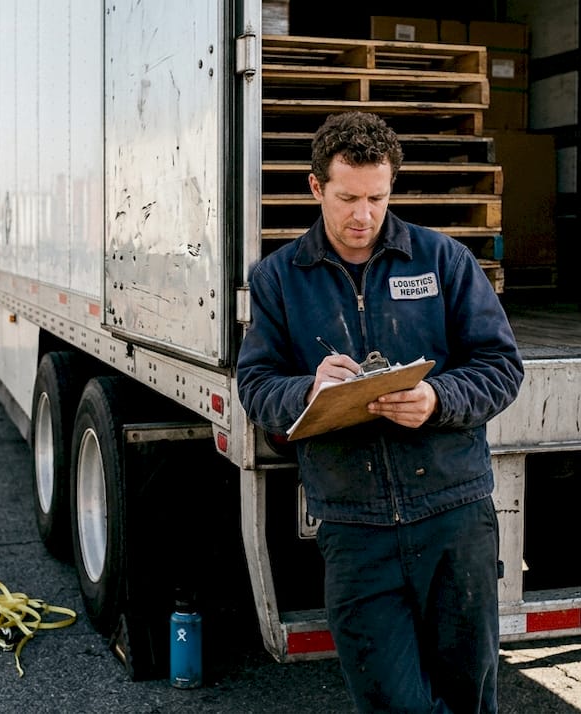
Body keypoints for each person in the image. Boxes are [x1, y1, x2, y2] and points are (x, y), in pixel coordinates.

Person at [236, 111, 524, 713]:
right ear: (316, 188)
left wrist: (439, 399)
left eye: (377, 197)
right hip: (355, 526)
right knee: (390, 700)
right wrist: (308, 391)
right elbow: (256, 384)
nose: (363, 215)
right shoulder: (278, 279)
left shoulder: (443, 260)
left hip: (453, 513)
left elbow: (501, 367)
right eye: (347, 198)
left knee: (467, 696)